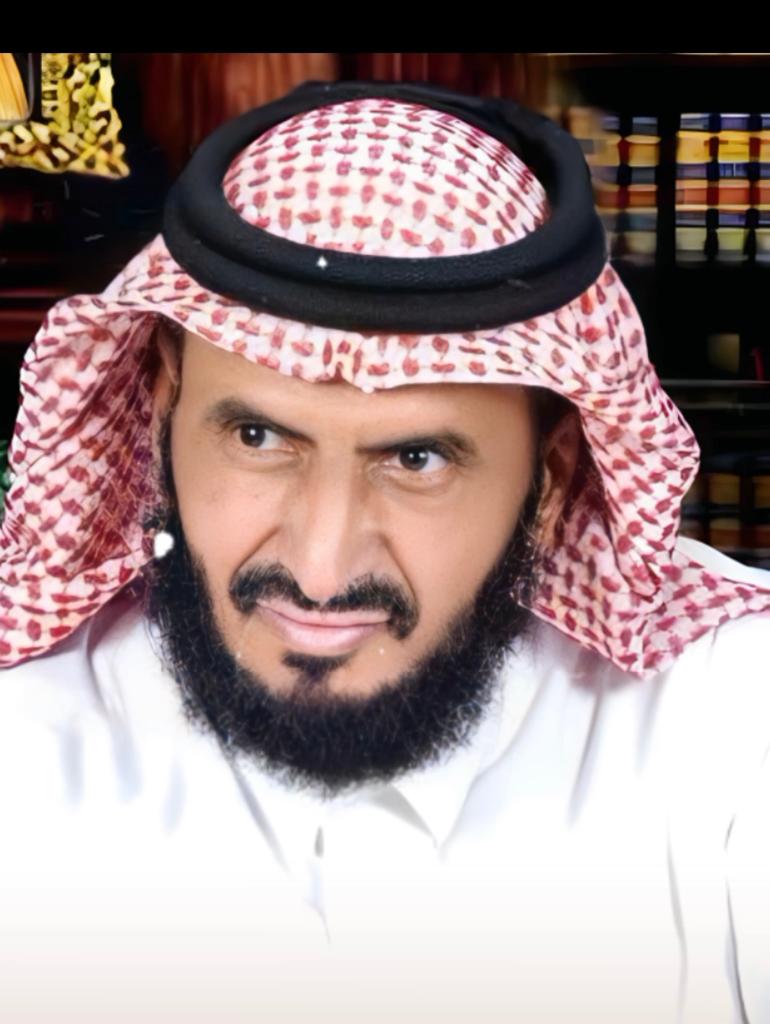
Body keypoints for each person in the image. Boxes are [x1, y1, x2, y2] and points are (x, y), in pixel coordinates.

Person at [0, 80, 768, 1023]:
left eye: (416, 460)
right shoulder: (21, 736)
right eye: (258, 439)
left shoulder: (731, 718)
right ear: (163, 405)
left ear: (552, 474)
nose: (321, 569)